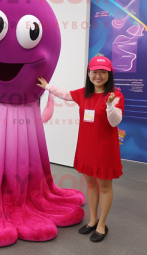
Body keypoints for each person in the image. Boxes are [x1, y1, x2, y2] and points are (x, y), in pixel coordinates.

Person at [37, 55, 124, 243]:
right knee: (91, 185)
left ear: (110, 74)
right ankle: (92, 220)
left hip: (104, 151)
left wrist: (109, 105)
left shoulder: (115, 96)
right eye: (95, 72)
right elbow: (66, 94)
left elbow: (115, 121)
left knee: (105, 187)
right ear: (89, 73)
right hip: (86, 147)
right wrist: (48, 87)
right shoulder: (84, 93)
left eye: (103, 72)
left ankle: (102, 224)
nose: (98, 76)